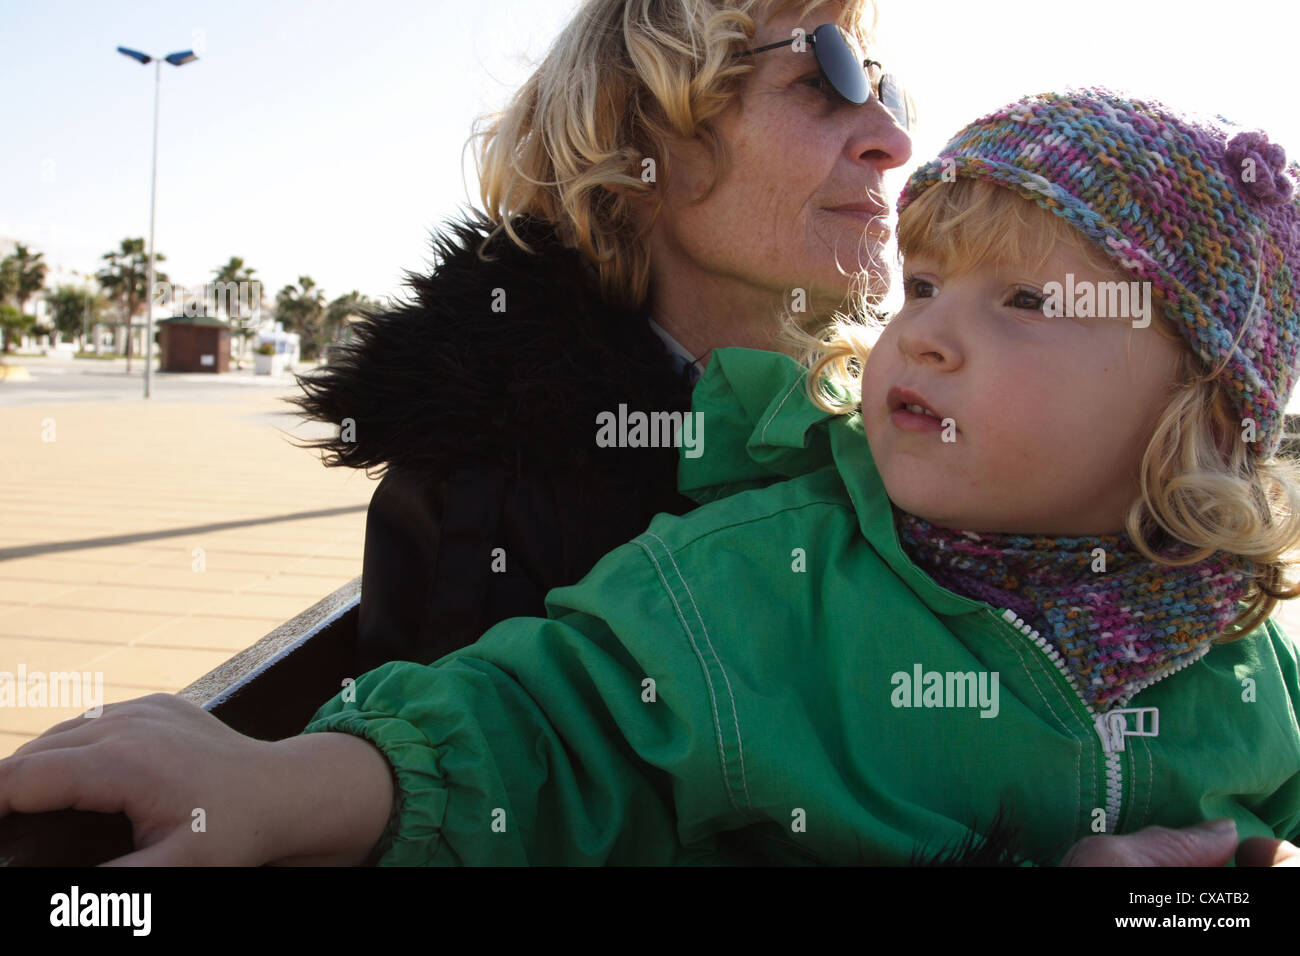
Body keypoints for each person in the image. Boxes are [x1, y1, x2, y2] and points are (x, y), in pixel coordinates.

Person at [5, 87, 1300, 868]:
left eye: (1022, 297)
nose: (927, 331)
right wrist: (282, 782)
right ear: (648, 145)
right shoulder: (771, 572)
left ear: (1198, 413)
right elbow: (541, 730)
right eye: (922, 287)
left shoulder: (1237, 644)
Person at [286, 0, 909, 673]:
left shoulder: (910, 436)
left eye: (886, 92)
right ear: (636, 146)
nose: (893, 140)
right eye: (823, 76)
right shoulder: (492, 499)